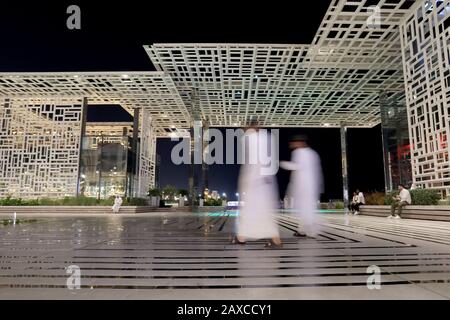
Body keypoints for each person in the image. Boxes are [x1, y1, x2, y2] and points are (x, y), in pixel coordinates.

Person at [232, 119, 282, 248]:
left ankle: (241, 237)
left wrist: (245, 181)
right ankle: (275, 238)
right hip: (266, 181)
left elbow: (250, 163)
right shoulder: (268, 137)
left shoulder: (250, 138)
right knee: (265, 211)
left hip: (253, 180)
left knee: (249, 211)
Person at [280, 134, 323, 238]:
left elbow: (297, 166)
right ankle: (302, 230)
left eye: (293, 142)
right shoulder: (313, 153)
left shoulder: (299, 152)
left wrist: (281, 164)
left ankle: (312, 231)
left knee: (306, 210)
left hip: (303, 187)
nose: (292, 145)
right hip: (311, 186)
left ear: (300, 143)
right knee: (305, 209)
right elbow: (317, 172)